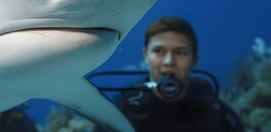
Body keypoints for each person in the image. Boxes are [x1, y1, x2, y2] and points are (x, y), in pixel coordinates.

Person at [96, 17, 244, 132]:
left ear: (195, 59)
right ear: (145, 55)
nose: (169, 61)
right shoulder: (120, 111)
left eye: (180, 52)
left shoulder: (218, 115)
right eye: (158, 51)